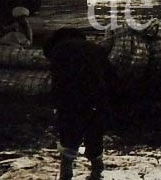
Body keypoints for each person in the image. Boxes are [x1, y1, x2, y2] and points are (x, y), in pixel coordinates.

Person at [42, 27, 117, 164]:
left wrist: (55, 105)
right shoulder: (96, 48)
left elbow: (58, 83)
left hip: (72, 101)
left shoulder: (59, 50)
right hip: (97, 101)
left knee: (69, 146)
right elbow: (111, 77)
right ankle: (96, 177)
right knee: (95, 147)